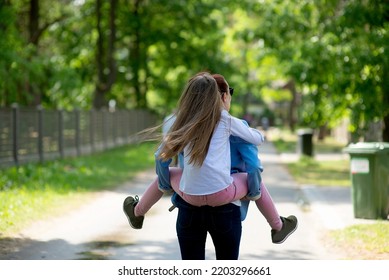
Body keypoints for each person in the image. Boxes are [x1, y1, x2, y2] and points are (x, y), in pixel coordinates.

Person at [123, 72, 296, 258]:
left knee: (171, 174)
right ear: (220, 96)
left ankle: (138, 212)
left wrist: (165, 185)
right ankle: (277, 226)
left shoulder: (185, 123)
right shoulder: (226, 120)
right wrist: (253, 192)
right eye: (229, 92)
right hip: (224, 200)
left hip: (189, 199)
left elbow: (160, 158)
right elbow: (254, 160)